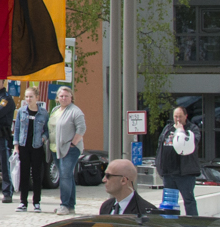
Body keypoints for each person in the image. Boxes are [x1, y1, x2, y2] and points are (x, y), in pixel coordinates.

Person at [48, 84, 88, 212]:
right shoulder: (55, 110)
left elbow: (81, 128)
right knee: (67, 176)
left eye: (66, 96)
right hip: (56, 148)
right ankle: (70, 206)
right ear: (57, 98)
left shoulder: (75, 111)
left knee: (65, 176)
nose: (64, 98)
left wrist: (73, 143)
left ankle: (64, 205)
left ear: (71, 97)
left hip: (70, 148)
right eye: (61, 96)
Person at [155, 105, 202, 214]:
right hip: (168, 172)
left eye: (180, 116)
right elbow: (160, 146)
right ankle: (170, 223)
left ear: (186, 116)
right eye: (175, 116)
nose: (178, 119)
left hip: (185, 173)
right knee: (169, 202)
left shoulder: (192, 129)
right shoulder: (168, 128)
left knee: (188, 200)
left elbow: (193, 142)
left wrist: (181, 131)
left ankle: (193, 224)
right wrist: (159, 165)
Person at [14, 86, 51, 211]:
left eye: (31, 97)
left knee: (36, 175)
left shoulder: (43, 113)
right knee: (24, 175)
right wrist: (16, 146)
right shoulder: (21, 111)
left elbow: (47, 131)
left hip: (37, 147)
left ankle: (36, 202)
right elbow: (17, 129)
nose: (28, 99)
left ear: (37, 98)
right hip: (24, 146)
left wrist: (43, 138)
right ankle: (23, 202)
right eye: (27, 96)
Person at [97, 154, 166, 217]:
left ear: (123, 180)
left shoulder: (146, 211)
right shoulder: (105, 207)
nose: (104, 180)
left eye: (108, 175)